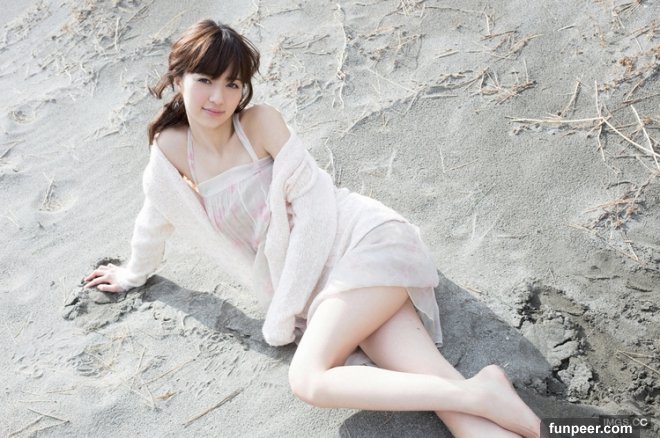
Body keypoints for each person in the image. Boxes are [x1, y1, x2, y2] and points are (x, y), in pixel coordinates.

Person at [83, 19, 541, 438]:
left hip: (363, 242)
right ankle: (525, 417)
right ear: (179, 77)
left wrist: (284, 310)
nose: (218, 98)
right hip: (329, 285)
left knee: (308, 379)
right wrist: (132, 273)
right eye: (205, 80)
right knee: (444, 395)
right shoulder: (171, 150)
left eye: (232, 84)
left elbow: (319, 211)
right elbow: (155, 214)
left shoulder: (259, 125)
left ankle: (483, 394)